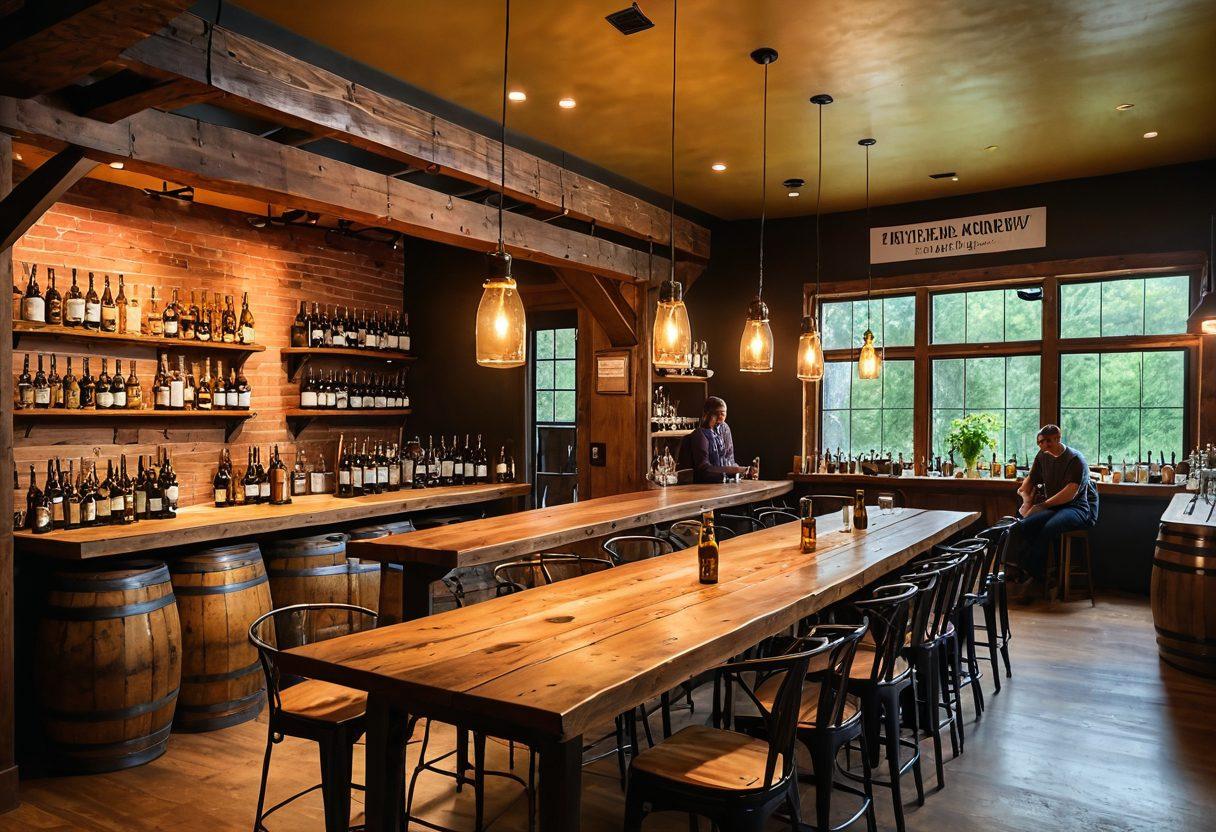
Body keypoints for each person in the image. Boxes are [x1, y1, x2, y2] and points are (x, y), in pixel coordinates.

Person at [1009, 424, 1098, 598]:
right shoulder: (1042, 455)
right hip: (1054, 507)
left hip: (1077, 508)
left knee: (1049, 528)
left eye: (1048, 441)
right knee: (1023, 525)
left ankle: (1037, 578)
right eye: (1040, 442)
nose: (1044, 445)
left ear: (1058, 438)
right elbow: (1031, 479)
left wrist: (1043, 505)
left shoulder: (1075, 459)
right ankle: (1021, 571)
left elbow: (1070, 493)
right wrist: (1025, 498)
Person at [676, 396, 757, 484]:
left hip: (724, 484)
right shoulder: (700, 434)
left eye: (723, 414)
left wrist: (743, 472)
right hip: (705, 486)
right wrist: (740, 470)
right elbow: (704, 469)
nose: (720, 418)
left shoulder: (724, 428)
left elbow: (730, 460)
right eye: (716, 414)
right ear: (706, 414)